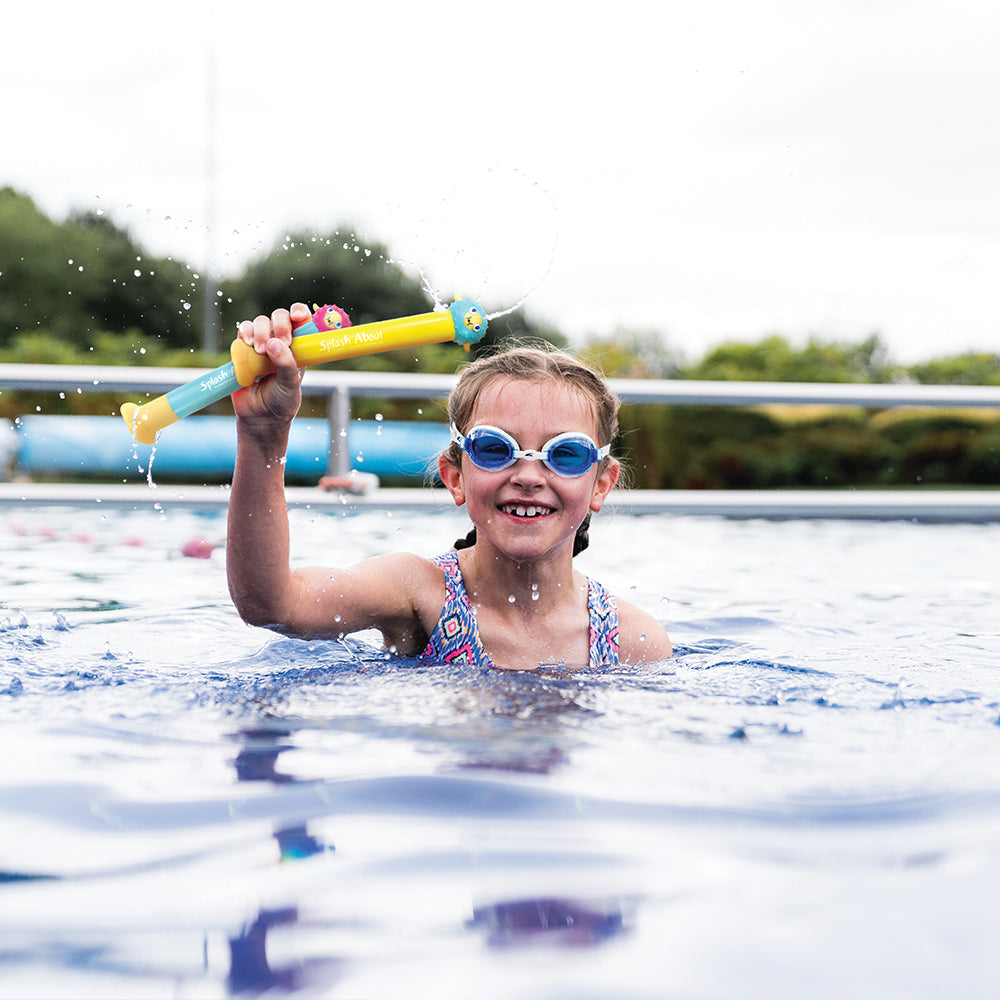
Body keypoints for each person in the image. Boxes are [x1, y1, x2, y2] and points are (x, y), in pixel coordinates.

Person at [226, 303, 672, 670]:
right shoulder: (419, 593)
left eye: (565, 454)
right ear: (455, 477)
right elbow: (273, 605)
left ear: (601, 484)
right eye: (495, 449)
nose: (529, 476)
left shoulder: (636, 640)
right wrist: (264, 436)